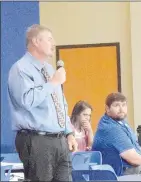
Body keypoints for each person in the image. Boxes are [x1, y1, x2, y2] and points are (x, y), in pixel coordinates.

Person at [7, 24, 78, 181]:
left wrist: (69, 132)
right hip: (36, 139)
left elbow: (60, 104)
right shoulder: (21, 69)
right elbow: (25, 101)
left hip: (60, 140)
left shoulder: (50, 70)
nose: (53, 43)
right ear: (35, 41)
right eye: (49, 39)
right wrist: (52, 83)